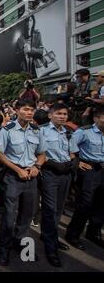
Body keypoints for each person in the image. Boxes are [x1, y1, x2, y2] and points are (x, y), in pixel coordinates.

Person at [0, 99, 47, 266]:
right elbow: (0, 154)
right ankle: (4, 248)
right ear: (16, 110)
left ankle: (21, 244)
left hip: (31, 176)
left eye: (32, 109)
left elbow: (42, 153)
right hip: (13, 176)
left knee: (27, 214)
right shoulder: (7, 130)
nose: (29, 112)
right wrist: (17, 169)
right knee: (9, 215)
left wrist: (37, 166)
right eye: (25, 109)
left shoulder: (36, 130)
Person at [39, 103, 79, 267]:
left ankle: (50, 236)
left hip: (65, 174)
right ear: (50, 115)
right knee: (50, 209)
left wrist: (73, 162)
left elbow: (72, 153)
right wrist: (52, 163)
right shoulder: (41, 131)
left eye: (64, 114)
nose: (62, 116)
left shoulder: (69, 133)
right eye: (58, 113)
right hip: (50, 173)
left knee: (59, 209)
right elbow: (39, 152)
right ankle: (50, 247)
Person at [66, 106, 104, 250]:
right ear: (96, 119)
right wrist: (77, 162)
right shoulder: (84, 131)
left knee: (101, 204)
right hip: (89, 170)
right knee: (85, 204)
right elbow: (69, 147)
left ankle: (94, 233)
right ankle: (73, 235)